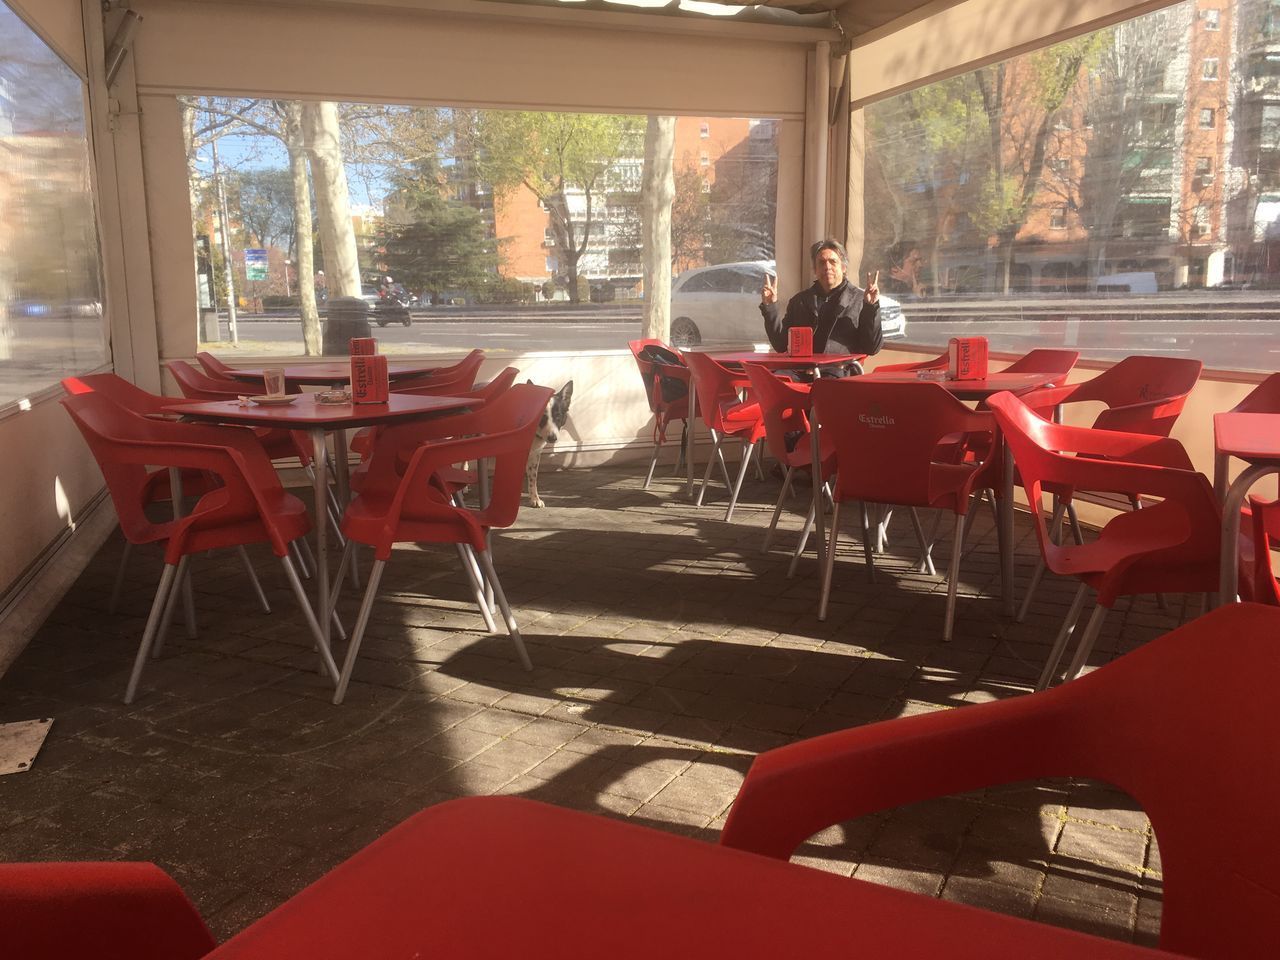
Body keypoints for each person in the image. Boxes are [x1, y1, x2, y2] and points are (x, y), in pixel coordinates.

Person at [760, 239, 882, 359]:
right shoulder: (799, 301)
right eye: (821, 262)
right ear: (815, 270)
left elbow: (871, 348)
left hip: (839, 370)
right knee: (773, 377)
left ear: (844, 267)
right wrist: (770, 307)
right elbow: (780, 345)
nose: (827, 267)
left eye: (833, 262)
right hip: (801, 369)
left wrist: (871, 307)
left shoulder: (860, 300)